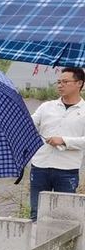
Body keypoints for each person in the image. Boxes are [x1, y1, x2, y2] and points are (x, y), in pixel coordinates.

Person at [29, 67, 85, 219]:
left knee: (64, 217)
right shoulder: (46, 106)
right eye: (58, 82)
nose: (60, 85)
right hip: (40, 166)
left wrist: (64, 141)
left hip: (67, 170)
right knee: (36, 213)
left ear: (79, 83)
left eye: (65, 82)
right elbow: (29, 125)